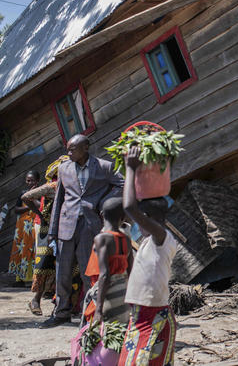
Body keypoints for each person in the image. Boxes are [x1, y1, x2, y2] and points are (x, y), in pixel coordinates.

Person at [43, 134, 124, 328]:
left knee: (90, 272)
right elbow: (59, 199)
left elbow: (121, 185)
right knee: (62, 271)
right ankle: (61, 312)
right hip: (66, 225)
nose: (69, 153)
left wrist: (103, 203)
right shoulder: (63, 169)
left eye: (73, 149)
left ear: (86, 147)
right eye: (68, 149)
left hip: (90, 225)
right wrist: (52, 231)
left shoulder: (104, 167)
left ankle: (90, 314)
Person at [118, 145, 177, 366]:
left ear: (149, 218)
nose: (136, 222)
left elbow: (129, 208)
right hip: (141, 312)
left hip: (153, 314)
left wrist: (130, 168)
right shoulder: (147, 243)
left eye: (141, 218)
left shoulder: (162, 238)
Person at [21, 156, 69, 315]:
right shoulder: (53, 186)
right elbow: (26, 197)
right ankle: (36, 300)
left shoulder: (72, 185)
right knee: (44, 265)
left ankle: (61, 302)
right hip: (46, 230)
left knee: (63, 265)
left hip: (65, 228)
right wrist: (40, 215)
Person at [83, 196, 133, 327]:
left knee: (102, 333)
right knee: (120, 330)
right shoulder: (126, 240)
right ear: (123, 217)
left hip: (106, 294)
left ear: (101, 214)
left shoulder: (102, 239)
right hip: (122, 292)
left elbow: (105, 275)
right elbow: (131, 271)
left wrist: (98, 309)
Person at [9, 170, 40, 286]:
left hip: (34, 226)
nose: (30, 182)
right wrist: (28, 206)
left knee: (33, 251)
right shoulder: (23, 193)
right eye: (28, 180)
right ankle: (20, 279)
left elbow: (40, 206)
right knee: (21, 251)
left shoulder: (41, 193)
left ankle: (32, 279)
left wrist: (31, 199)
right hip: (22, 227)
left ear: (37, 181)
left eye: (32, 180)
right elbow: (16, 210)